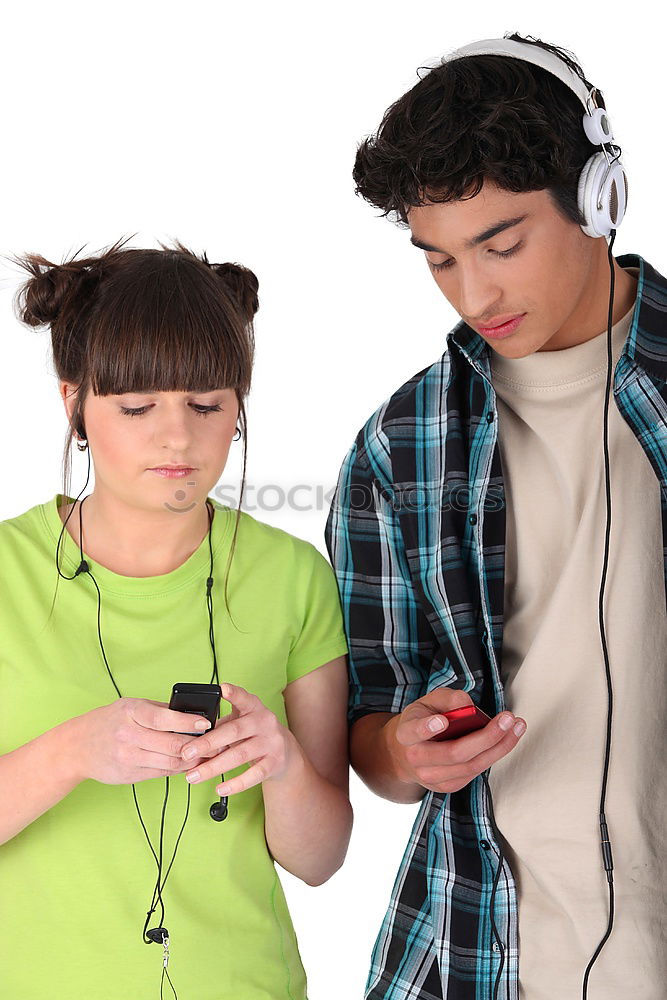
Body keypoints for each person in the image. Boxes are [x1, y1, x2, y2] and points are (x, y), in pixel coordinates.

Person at [325, 31, 667, 1000]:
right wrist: (401, 747)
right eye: (437, 259)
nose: (473, 293)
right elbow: (368, 733)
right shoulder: (401, 444)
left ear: (599, 196)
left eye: (501, 243)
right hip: (475, 953)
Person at [0, 238, 352, 1000]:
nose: (177, 437)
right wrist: (72, 752)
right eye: (136, 406)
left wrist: (283, 764)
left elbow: (321, 859)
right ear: (75, 405)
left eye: (206, 404)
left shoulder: (293, 579)